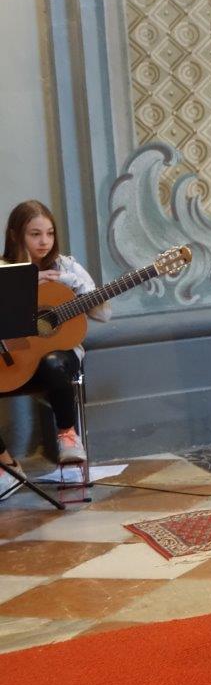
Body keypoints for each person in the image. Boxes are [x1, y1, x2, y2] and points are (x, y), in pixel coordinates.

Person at [0, 200, 106, 499]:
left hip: (58, 361)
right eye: (35, 234)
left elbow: (103, 313)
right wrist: (26, 284)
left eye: (49, 233)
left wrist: (75, 284)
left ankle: (67, 436)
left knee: (53, 360)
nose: (44, 241)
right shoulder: (3, 270)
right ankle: (6, 464)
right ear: (15, 235)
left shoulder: (66, 266)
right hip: (15, 363)